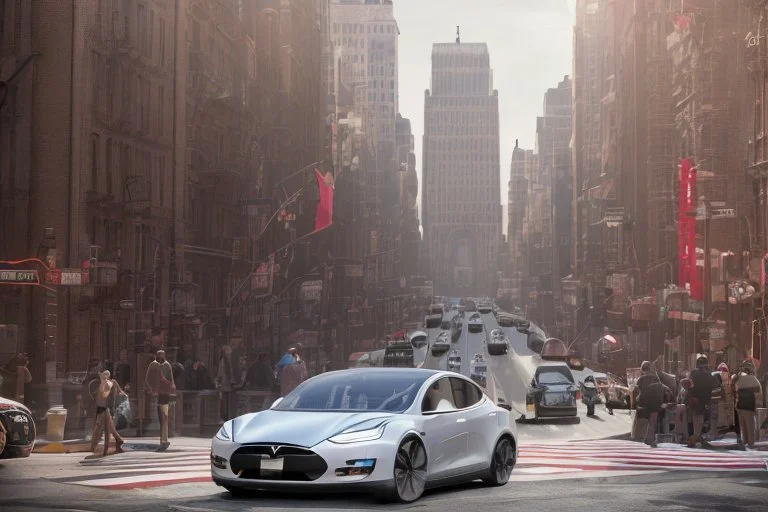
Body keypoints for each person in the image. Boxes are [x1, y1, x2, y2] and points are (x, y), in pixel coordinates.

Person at [89, 371, 126, 456]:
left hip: (104, 409)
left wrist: (102, 379)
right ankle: (118, 440)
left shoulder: (107, 383)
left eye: (106, 374)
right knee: (108, 428)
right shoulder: (110, 383)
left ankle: (100, 448)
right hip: (103, 408)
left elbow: (103, 393)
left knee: (102, 428)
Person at [145, 350, 175, 451]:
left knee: (164, 417)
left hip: (165, 394)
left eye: (162, 355)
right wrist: (152, 388)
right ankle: (163, 439)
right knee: (162, 418)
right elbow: (148, 378)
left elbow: (170, 380)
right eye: (159, 356)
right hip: (158, 394)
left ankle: (164, 440)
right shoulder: (153, 365)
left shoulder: (167, 365)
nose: (161, 357)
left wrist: (168, 387)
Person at [633, 361, 668, 448]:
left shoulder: (641, 379)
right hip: (655, 402)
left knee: (642, 421)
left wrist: (635, 403)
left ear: (642, 369)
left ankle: (640, 437)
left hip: (644, 403)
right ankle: (651, 439)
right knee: (653, 421)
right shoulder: (656, 378)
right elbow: (660, 388)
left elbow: (637, 391)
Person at [687, 354, 719, 448]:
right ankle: (696, 438)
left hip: (696, 400)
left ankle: (696, 438)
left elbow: (689, 386)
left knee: (697, 420)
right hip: (702, 401)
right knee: (699, 420)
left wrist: (690, 397)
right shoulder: (708, 375)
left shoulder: (694, 374)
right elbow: (714, 385)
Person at [733, 360, 763, 449]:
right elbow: (758, 394)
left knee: (743, 426)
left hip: (740, 406)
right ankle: (750, 443)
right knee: (750, 426)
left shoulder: (739, 379)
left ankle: (745, 441)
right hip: (749, 406)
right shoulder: (753, 379)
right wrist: (758, 405)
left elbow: (735, 392)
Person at [216, 346, 238, 421]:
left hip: (227, 385)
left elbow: (220, 374)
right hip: (227, 385)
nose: (230, 352)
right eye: (228, 350)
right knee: (226, 403)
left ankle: (227, 416)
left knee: (227, 402)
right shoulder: (226, 361)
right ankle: (227, 417)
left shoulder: (227, 360)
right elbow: (221, 374)